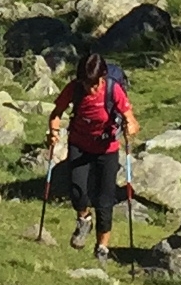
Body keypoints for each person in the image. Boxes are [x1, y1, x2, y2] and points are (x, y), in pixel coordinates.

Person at [47, 47, 134, 251]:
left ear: (102, 78)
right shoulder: (74, 89)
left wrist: (130, 127)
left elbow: (131, 119)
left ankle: (102, 247)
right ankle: (84, 220)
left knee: (105, 201)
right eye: (86, 84)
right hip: (80, 144)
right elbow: (56, 113)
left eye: (95, 84)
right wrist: (53, 132)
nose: (91, 89)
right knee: (77, 191)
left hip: (107, 148)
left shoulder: (113, 90)